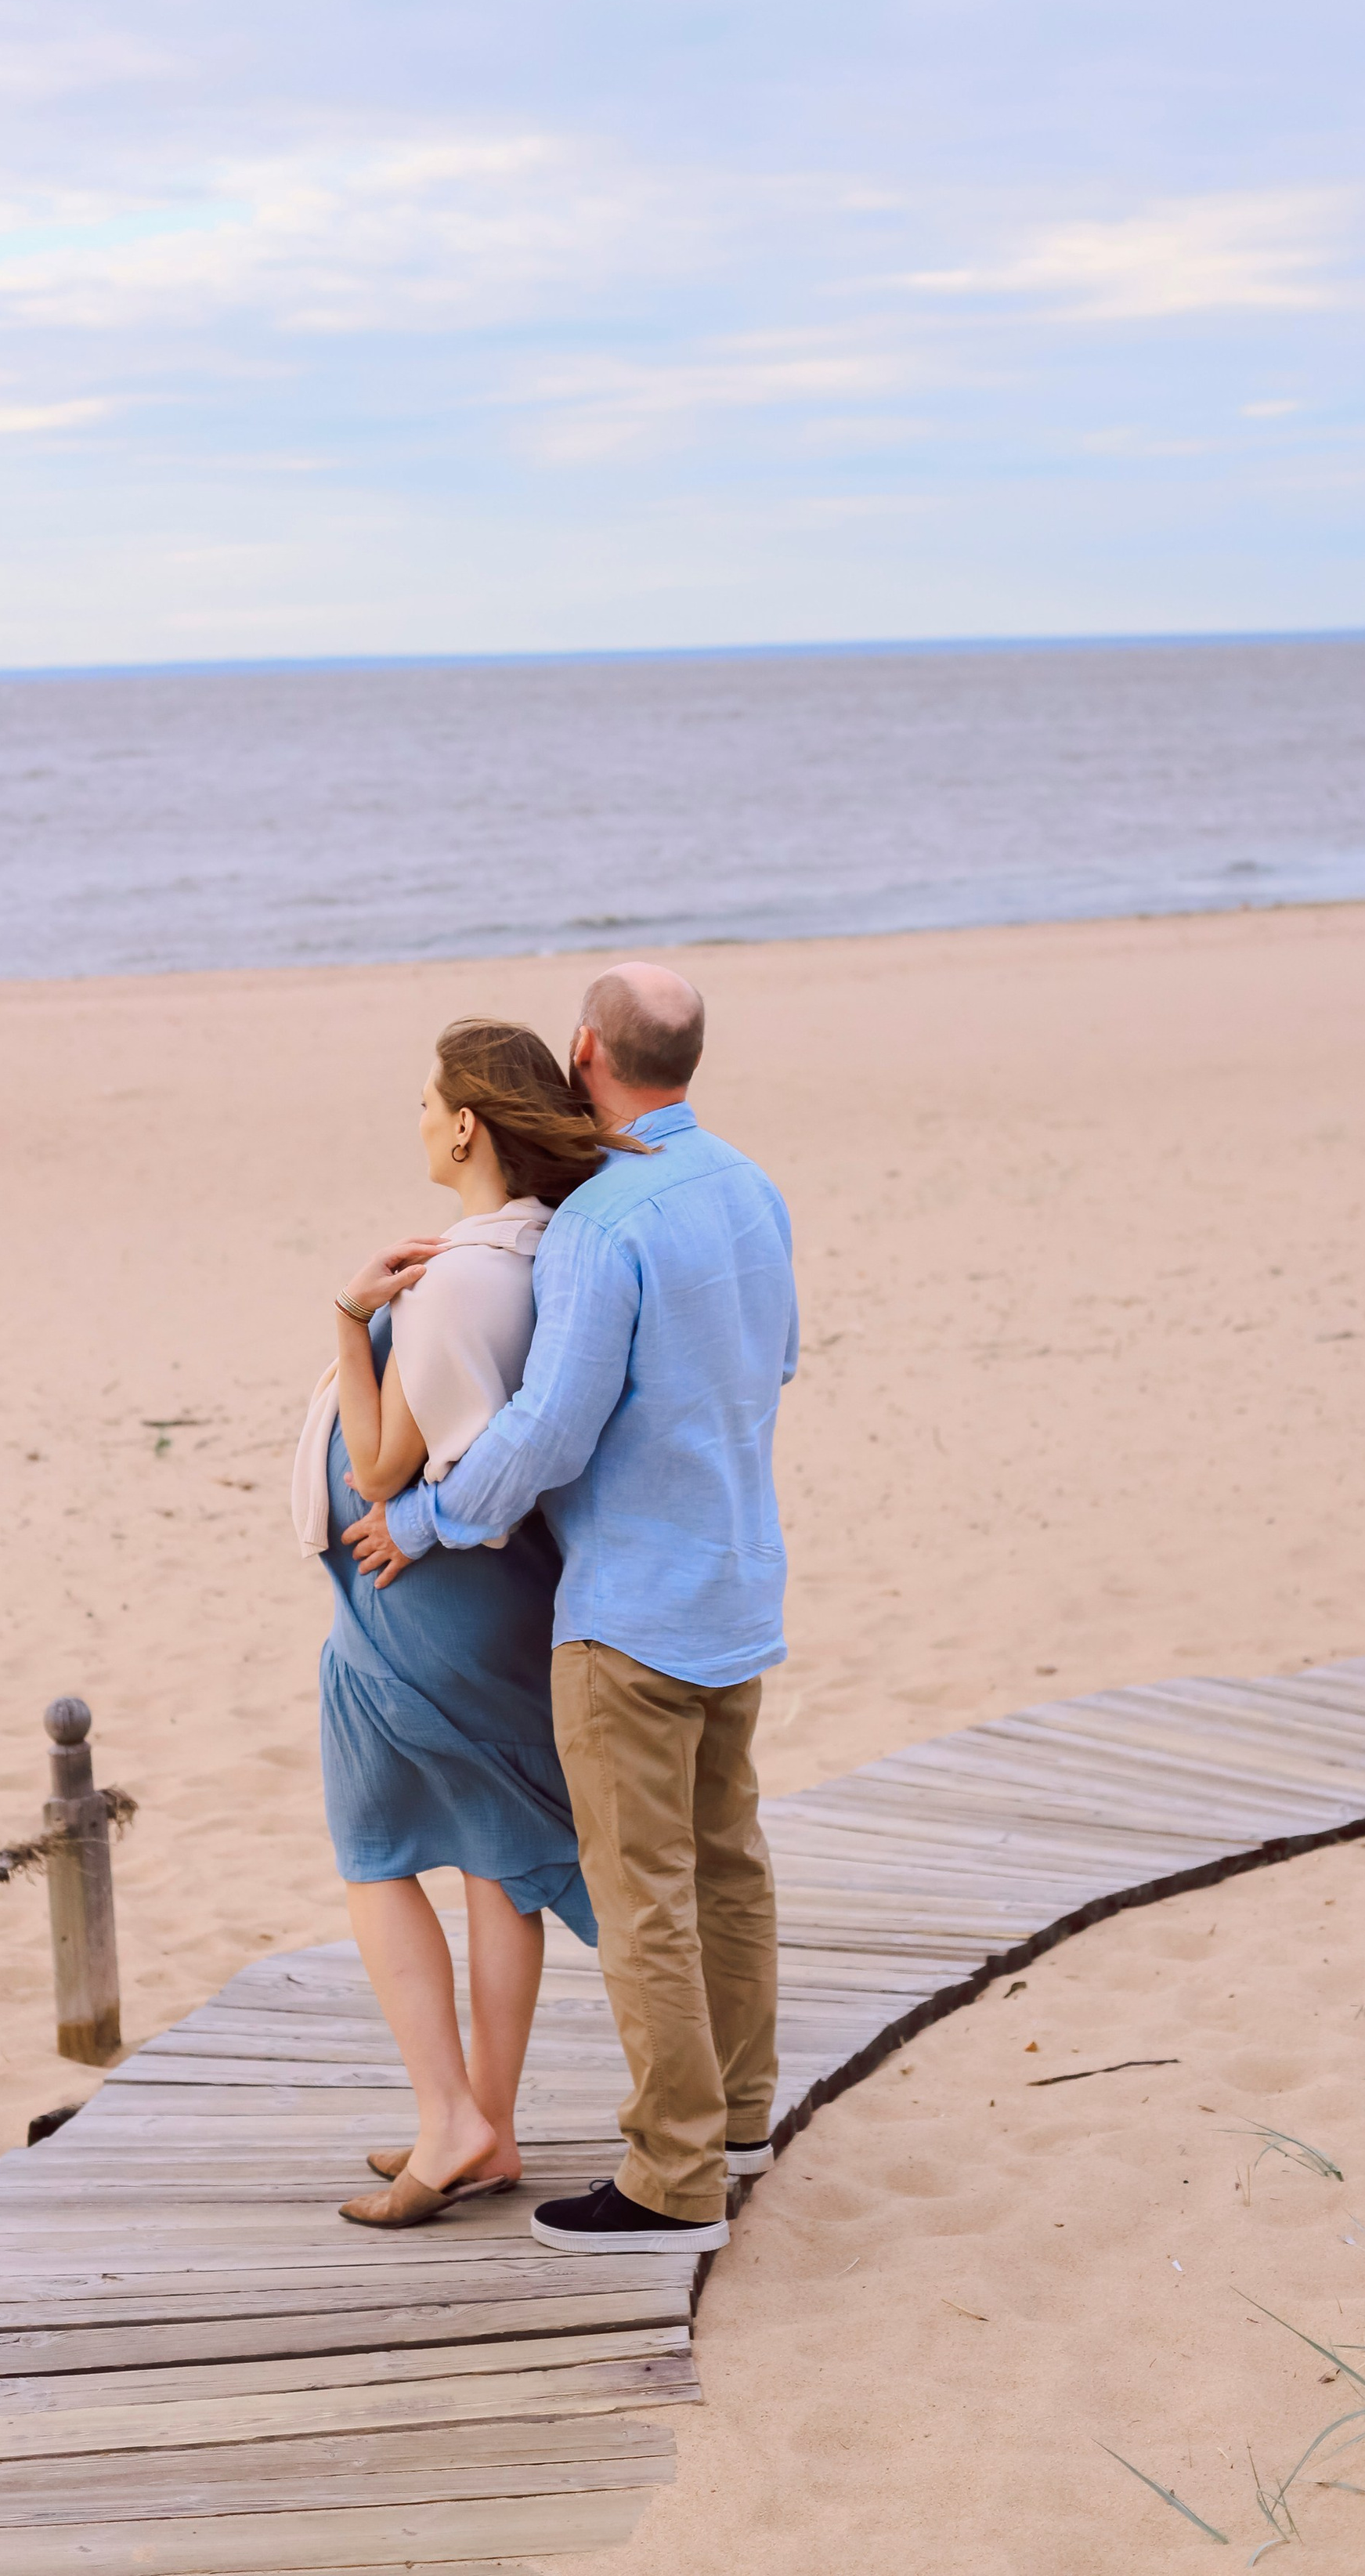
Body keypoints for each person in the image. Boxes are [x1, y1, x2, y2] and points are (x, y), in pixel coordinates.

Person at [345, 963, 797, 2257]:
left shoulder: (608, 1225)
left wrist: (424, 1520)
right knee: (728, 1867)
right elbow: (775, 1359)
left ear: (586, 1048)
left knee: (644, 1886)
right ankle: (743, 2122)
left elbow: (546, 1427)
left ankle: (672, 2181)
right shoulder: (747, 1187)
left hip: (632, 1610)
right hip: (738, 1578)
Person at [291, 1015, 637, 2231]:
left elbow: (388, 1469)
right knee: (496, 1857)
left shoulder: (455, 1283)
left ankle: (453, 2119)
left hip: (411, 1609)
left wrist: (348, 1318)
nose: (418, 1118)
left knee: (375, 1853)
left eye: (427, 1098)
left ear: (466, 1123)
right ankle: (486, 2123)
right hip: (492, 1602)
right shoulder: (538, 1253)